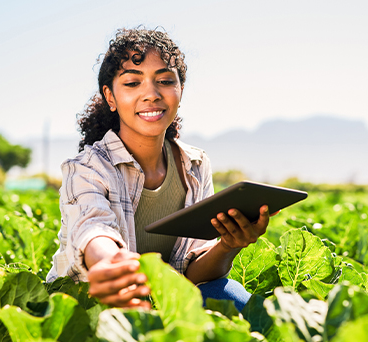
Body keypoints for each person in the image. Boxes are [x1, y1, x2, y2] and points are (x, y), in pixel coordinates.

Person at [46, 27, 271, 311]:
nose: (151, 94)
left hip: (160, 301)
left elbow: (189, 275)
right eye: (132, 83)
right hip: (90, 305)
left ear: (180, 90)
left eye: (164, 80)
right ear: (110, 97)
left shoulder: (195, 164)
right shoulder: (87, 167)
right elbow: (92, 228)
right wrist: (108, 264)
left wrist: (228, 245)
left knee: (232, 295)